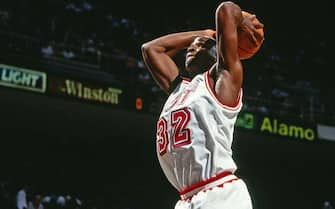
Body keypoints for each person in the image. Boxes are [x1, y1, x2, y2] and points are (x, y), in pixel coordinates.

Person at [141, 1, 264, 209]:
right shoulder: (179, 89)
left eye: (203, 45)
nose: (193, 47)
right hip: (186, 199)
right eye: (193, 45)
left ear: (219, 54)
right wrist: (203, 34)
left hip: (221, 193)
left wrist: (220, 34)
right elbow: (151, 49)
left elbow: (227, 9)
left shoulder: (224, 82)